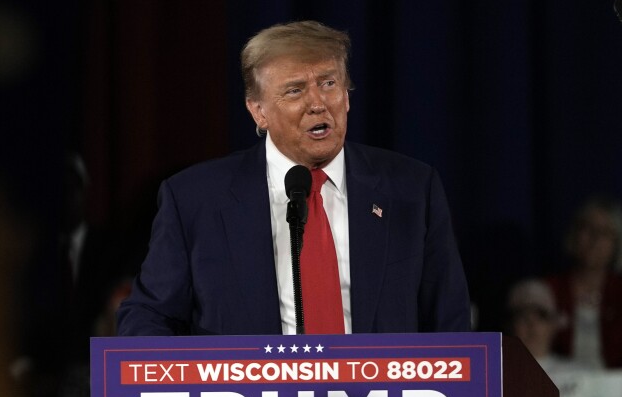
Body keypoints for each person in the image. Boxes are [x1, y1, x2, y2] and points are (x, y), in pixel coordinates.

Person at [116, 20, 470, 337]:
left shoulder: (411, 189)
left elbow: (450, 324)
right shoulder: (195, 200)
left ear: (346, 97)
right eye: (295, 90)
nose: (318, 103)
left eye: (329, 83)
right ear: (258, 110)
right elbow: (148, 317)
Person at [545, 195, 622, 369]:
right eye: (588, 228)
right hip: (560, 385)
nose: (595, 239)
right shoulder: (550, 289)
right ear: (574, 234)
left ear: (616, 243)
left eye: (604, 232)